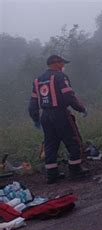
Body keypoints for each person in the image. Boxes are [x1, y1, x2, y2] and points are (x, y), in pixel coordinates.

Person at [28, 55, 88, 184]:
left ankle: (52, 174)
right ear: (56, 63)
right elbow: (69, 97)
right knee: (74, 141)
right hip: (60, 114)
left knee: (50, 144)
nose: (63, 66)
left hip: (45, 116)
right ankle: (75, 170)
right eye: (62, 63)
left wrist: (35, 118)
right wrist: (81, 108)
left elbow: (33, 102)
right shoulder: (60, 77)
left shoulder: (37, 80)